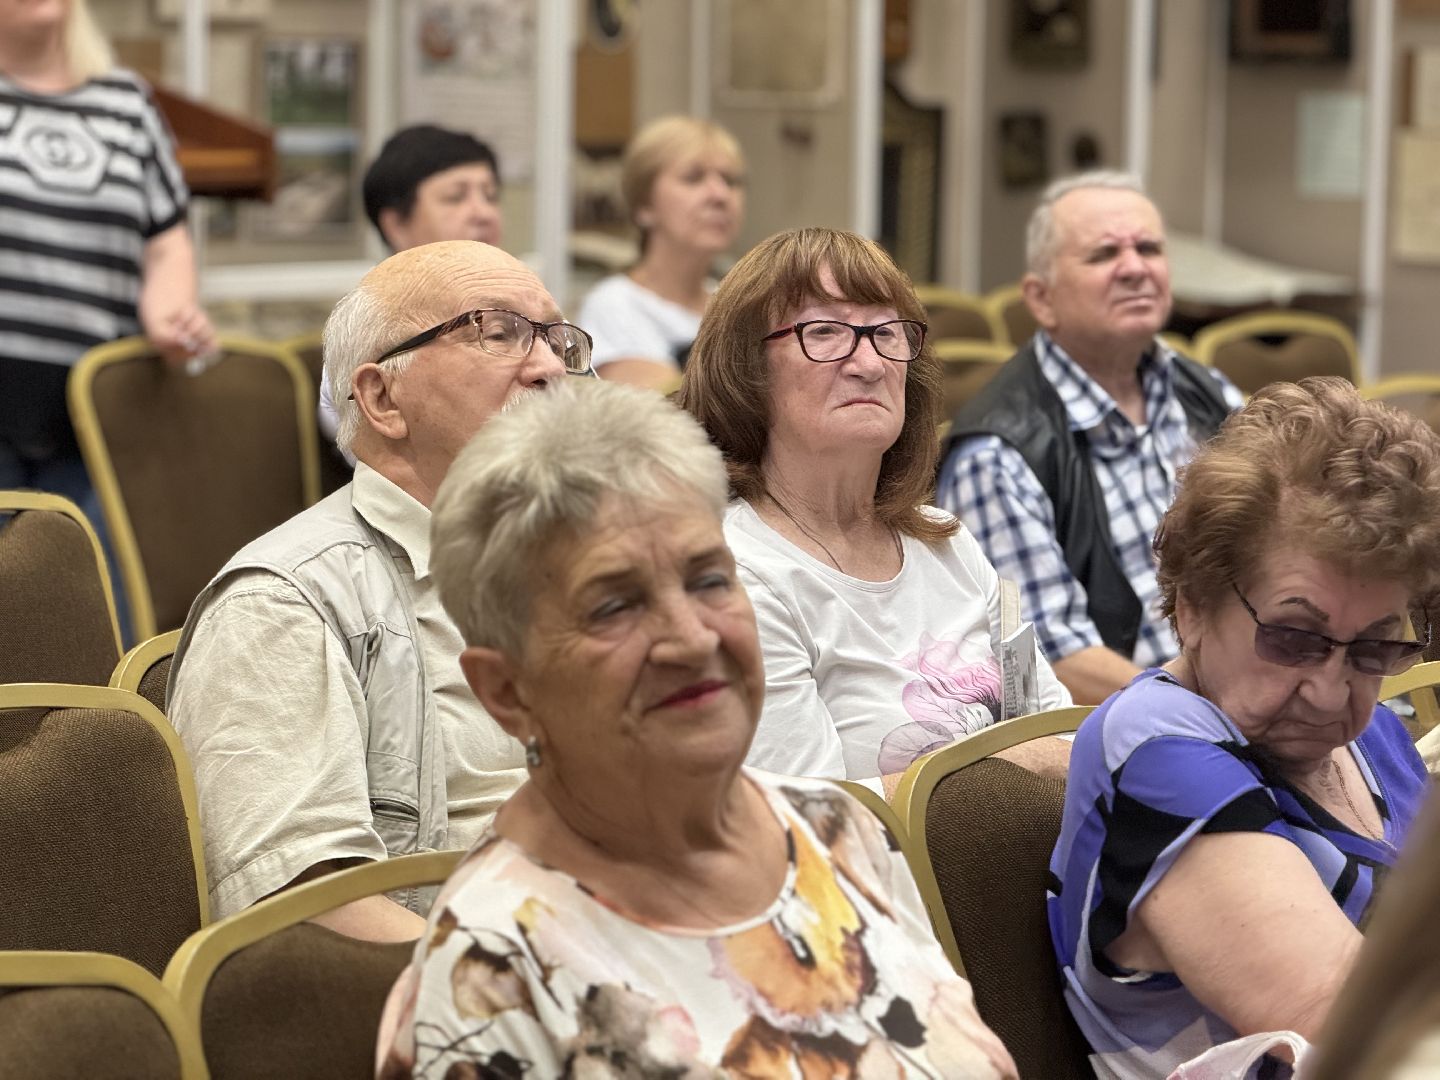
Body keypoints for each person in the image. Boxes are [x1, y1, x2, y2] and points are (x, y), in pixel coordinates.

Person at [374, 379, 1019, 1078]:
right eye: (614, 606)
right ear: (507, 691)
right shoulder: (489, 969)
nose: (689, 638)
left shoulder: (836, 829)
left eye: (710, 580)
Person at [167, 240, 594, 939]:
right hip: (467, 1004)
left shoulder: (596, 567)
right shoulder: (285, 601)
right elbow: (297, 909)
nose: (549, 367)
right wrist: (545, 982)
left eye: (557, 339)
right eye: (501, 333)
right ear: (382, 398)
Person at [1048, 378, 1439, 1079]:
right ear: (1194, 604)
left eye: (1377, 644)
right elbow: (1367, 1038)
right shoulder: (1155, 747)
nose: (1329, 691)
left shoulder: (1370, 733)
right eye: (1294, 636)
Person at [677, 227, 1070, 789]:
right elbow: (815, 820)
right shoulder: (735, 573)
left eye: (887, 332)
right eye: (827, 332)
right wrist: (1015, 769)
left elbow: (1057, 734)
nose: (869, 363)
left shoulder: (945, 539)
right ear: (746, 371)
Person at [935, 171, 1244, 705]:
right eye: (1104, 255)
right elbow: (1052, 660)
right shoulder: (998, 455)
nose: (1135, 268)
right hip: (1132, 732)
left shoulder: (1208, 393)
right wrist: (1216, 714)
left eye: (1148, 248)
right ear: (1041, 298)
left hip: (1250, 691)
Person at [0, 0, 215, 633]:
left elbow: (166, 241)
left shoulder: (128, 104)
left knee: (88, 618)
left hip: (93, 420)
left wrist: (173, 312)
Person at [317, 124, 504, 448]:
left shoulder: (529, 312)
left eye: (490, 195)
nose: (484, 213)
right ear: (397, 225)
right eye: (456, 197)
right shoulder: (365, 333)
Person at [578, 115, 744, 390]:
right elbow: (665, 412)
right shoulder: (614, 305)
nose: (720, 195)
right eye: (693, 178)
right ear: (644, 206)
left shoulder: (732, 306)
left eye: (730, 180)